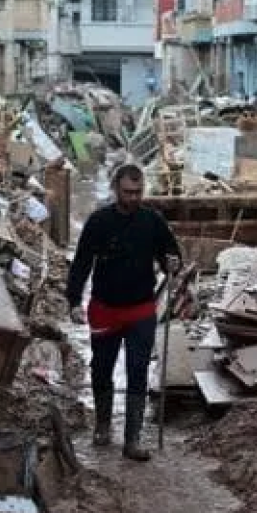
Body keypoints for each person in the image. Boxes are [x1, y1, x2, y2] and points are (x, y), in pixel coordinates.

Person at [66, 163, 181, 461]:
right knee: (101, 368)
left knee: (138, 370)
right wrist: (74, 301)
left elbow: (171, 252)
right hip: (105, 308)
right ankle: (103, 424)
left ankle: (132, 439)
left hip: (141, 309)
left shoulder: (152, 221)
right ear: (116, 189)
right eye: (128, 192)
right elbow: (81, 263)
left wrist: (173, 262)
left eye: (138, 192)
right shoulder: (99, 221)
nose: (133, 198)